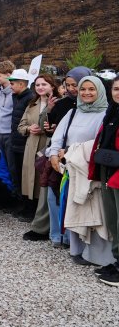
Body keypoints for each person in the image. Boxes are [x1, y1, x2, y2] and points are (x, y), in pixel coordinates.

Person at [49, 76, 111, 265]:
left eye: (91, 89)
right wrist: (53, 154)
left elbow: (99, 143)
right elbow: (58, 136)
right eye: (83, 89)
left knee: (93, 210)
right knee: (74, 206)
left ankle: (95, 254)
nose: (86, 93)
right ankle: (76, 248)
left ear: (100, 91)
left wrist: (70, 151)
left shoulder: (106, 114)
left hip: (90, 170)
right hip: (70, 168)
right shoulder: (73, 112)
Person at [19, 74, 59, 239]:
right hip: (31, 145)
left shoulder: (58, 103)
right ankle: (34, 210)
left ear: (52, 86)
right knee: (32, 178)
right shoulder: (32, 104)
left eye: (44, 84)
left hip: (47, 144)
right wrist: (29, 129)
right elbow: (21, 125)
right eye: (37, 85)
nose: (40, 87)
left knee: (43, 180)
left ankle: (42, 219)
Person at [90, 78, 119, 285]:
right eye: (116, 89)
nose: (118, 93)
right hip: (109, 170)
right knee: (113, 219)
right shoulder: (112, 112)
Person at [7, 69, 34, 218]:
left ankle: (29, 208)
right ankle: (22, 205)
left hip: (24, 143)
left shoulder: (29, 98)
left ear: (21, 84)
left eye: (12, 83)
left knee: (25, 177)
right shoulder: (17, 97)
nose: (10, 86)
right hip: (16, 142)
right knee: (17, 175)